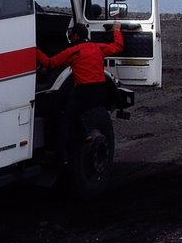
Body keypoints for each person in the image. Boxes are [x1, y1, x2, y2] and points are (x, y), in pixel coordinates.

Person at [36, 22, 124, 150]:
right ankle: (85, 134)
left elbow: (49, 63)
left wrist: (34, 49)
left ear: (76, 36)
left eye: (71, 34)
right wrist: (116, 30)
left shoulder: (72, 52)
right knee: (75, 110)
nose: (70, 37)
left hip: (84, 92)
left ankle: (63, 156)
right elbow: (118, 46)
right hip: (101, 91)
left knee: (66, 116)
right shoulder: (97, 48)